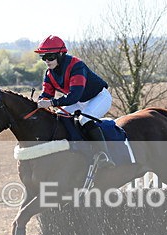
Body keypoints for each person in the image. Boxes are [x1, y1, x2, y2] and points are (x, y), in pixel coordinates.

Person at [34, 35, 116, 167]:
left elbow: (74, 96)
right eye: (43, 57)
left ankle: (104, 156)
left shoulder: (76, 66)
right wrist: (40, 102)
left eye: (50, 57)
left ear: (61, 54)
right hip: (79, 101)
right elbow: (46, 94)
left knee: (84, 119)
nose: (47, 61)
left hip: (99, 97)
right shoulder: (49, 74)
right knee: (59, 118)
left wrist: (52, 103)